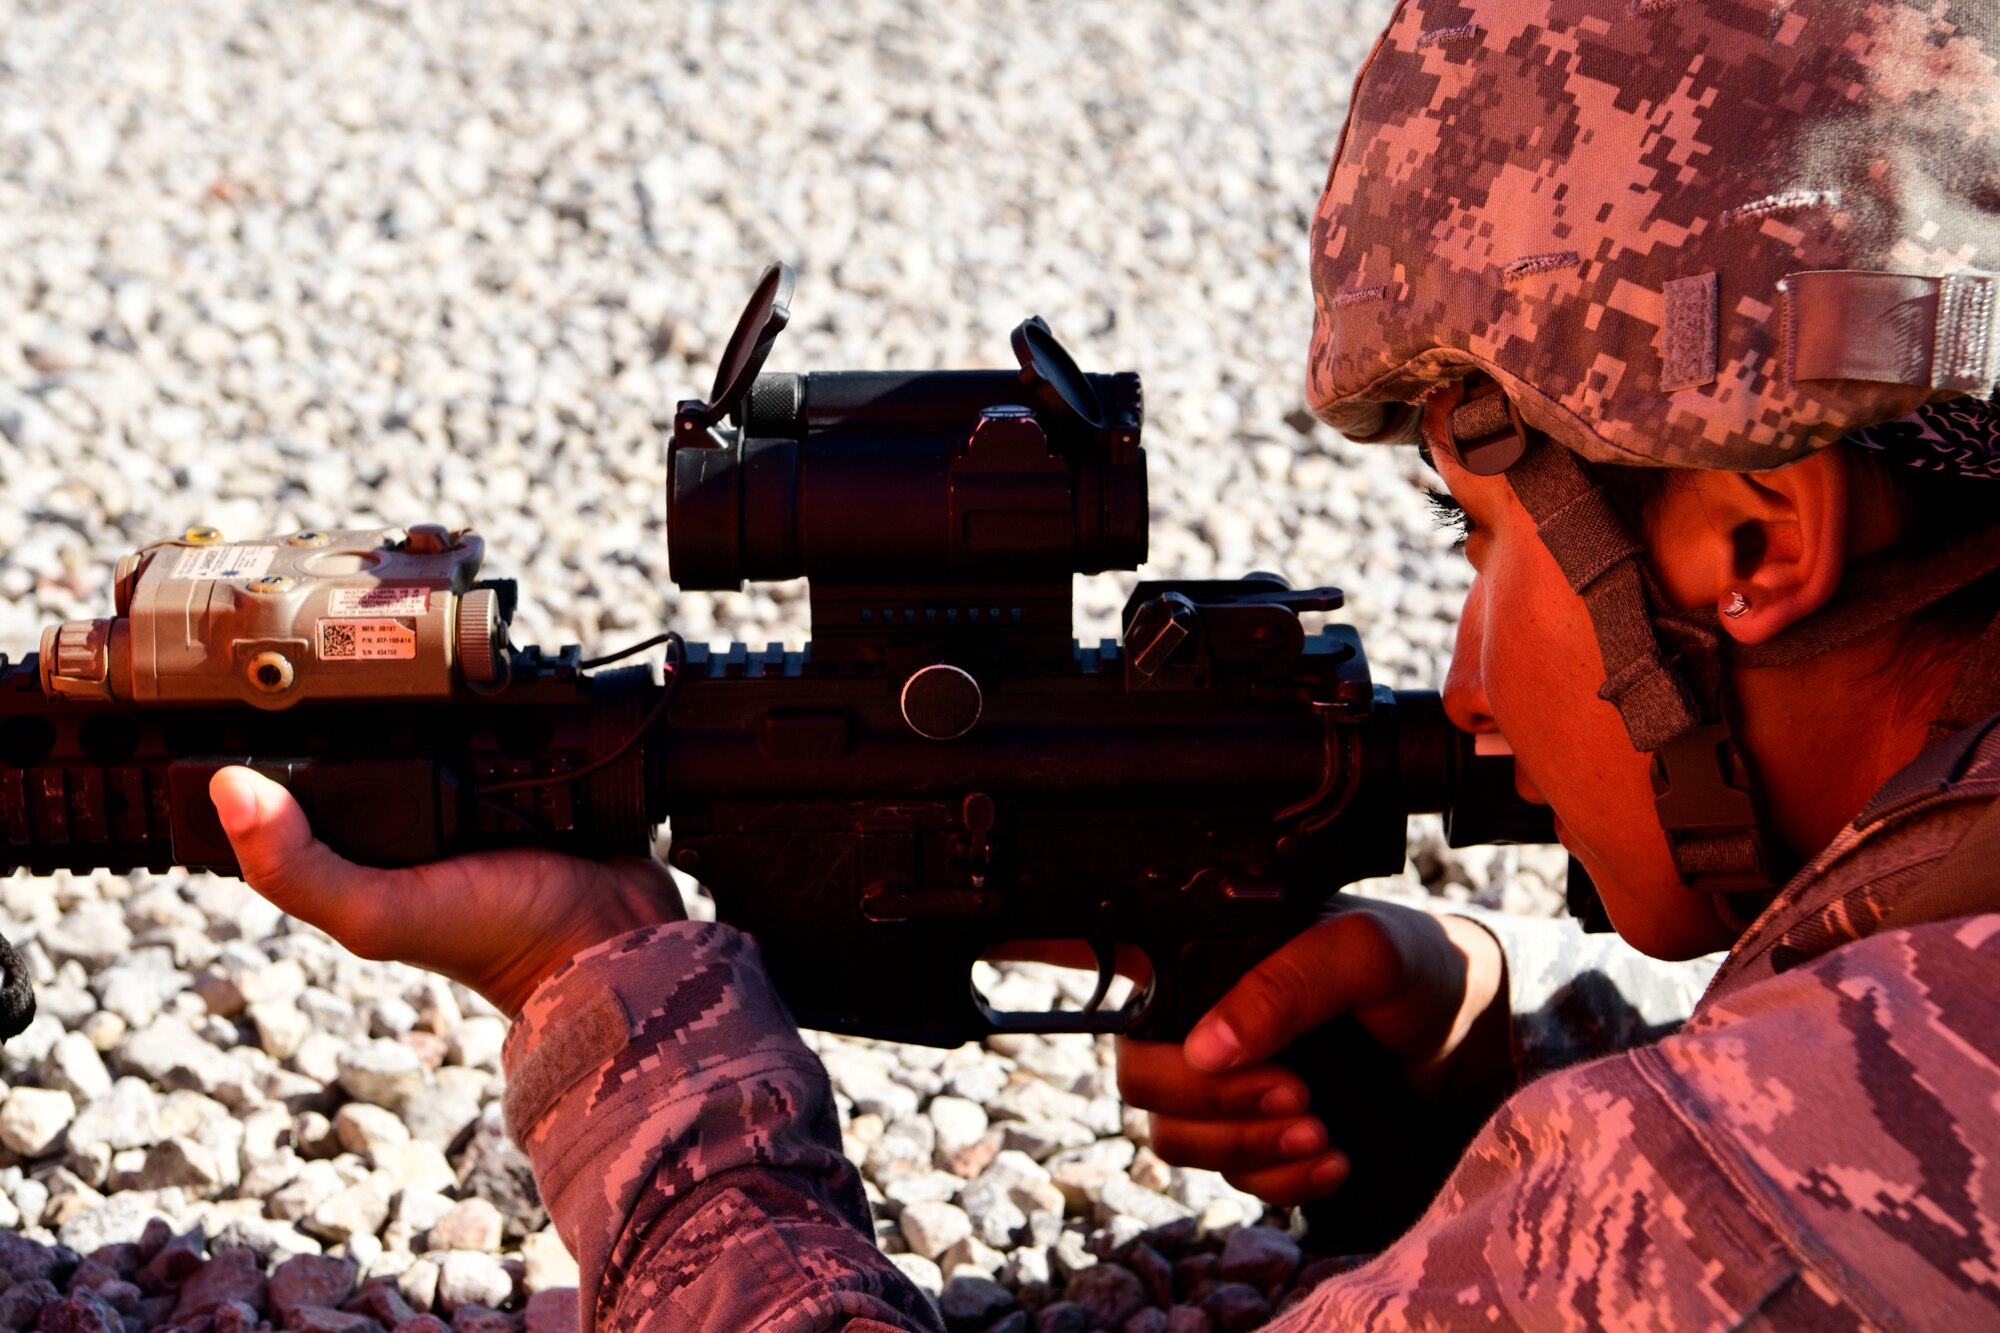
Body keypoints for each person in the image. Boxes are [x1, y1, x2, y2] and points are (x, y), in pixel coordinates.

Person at [208, 0, 2000, 1325]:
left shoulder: (1738, 1203)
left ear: (1755, 541)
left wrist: (628, 1021)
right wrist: (1502, 1058)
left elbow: (1764, 1191)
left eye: (1481, 536)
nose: (1465, 682)